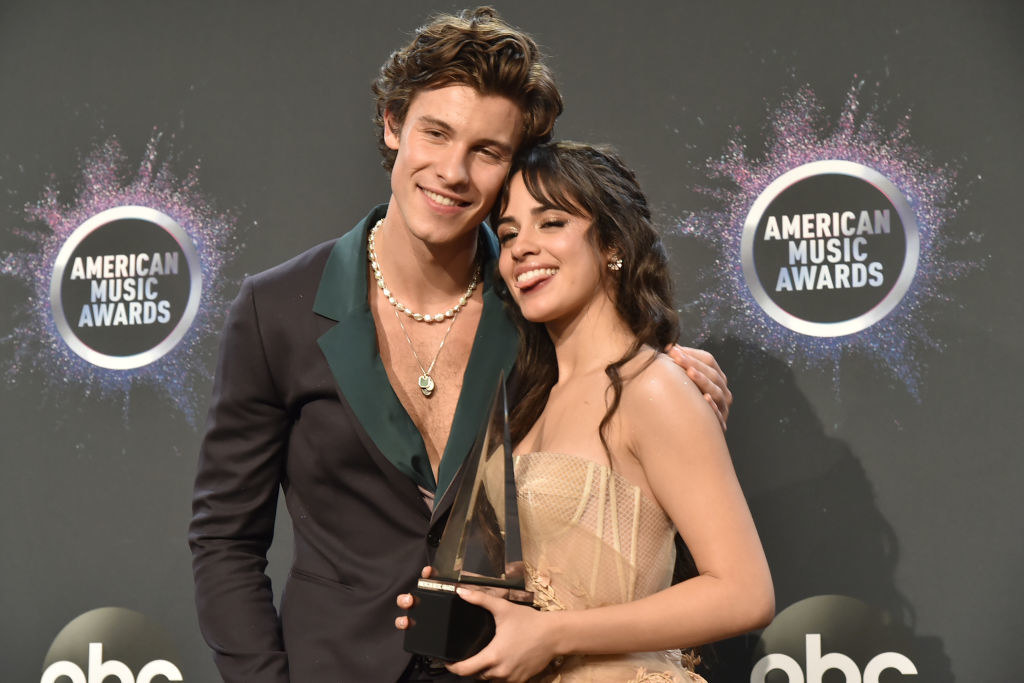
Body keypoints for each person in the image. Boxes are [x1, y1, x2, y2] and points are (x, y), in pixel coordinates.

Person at [189, 8, 733, 683]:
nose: (452, 170)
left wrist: (677, 377)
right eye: (436, 133)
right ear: (394, 126)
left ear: (512, 168)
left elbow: (622, 428)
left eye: (487, 151)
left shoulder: (540, 304)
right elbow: (225, 541)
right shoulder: (277, 312)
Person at [397, 142, 773, 682]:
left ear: (613, 243)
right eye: (507, 235)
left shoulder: (652, 386)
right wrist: (465, 610)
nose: (522, 248)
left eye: (550, 223)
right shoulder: (527, 403)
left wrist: (552, 634)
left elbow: (744, 592)